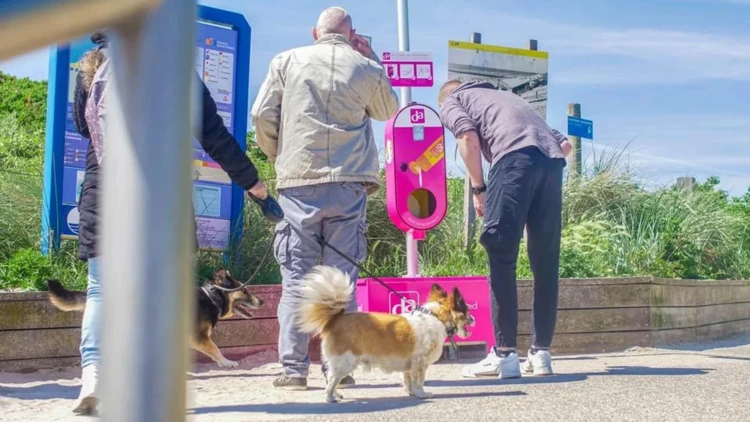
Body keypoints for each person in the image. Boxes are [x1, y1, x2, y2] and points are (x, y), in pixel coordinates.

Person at [69, 32, 269, 414]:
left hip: (106, 190)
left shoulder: (92, 69)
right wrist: (253, 183)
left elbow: (83, 128)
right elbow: (214, 135)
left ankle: (93, 377)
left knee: (100, 291)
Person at [251, 6, 399, 390]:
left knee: (296, 279)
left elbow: (262, 115)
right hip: (349, 186)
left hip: (298, 183)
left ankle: (293, 369)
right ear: (352, 36)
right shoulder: (365, 67)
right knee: (342, 281)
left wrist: (278, 154)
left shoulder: (287, 60)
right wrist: (372, 58)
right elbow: (388, 110)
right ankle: (341, 368)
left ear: (314, 33)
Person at [437, 79, 572, 379]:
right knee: (545, 262)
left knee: (501, 254)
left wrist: (479, 187)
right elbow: (564, 146)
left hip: (512, 161)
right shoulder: (508, 98)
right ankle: (541, 354)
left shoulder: (452, 101)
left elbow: (468, 139)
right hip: (551, 164)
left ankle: (505, 354)